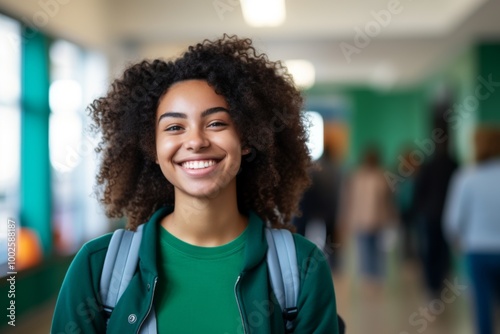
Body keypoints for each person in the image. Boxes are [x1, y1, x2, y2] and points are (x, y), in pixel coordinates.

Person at [51, 35, 339, 333]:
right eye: (175, 127)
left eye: (216, 123)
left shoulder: (303, 267)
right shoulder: (97, 267)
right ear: (152, 147)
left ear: (248, 139)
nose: (196, 141)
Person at [444, 126, 500, 334]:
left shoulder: (467, 177)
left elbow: (452, 221)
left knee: (482, 308)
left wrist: (458, 242)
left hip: (478, 250)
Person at [344, 146, 395, 281]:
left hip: (373, 221)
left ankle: (374, 279)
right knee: (369, 252)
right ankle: (371, 279)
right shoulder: (362, 177)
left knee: (372, 252)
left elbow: (388, 200)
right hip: (368, 221)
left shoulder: (378, 177)